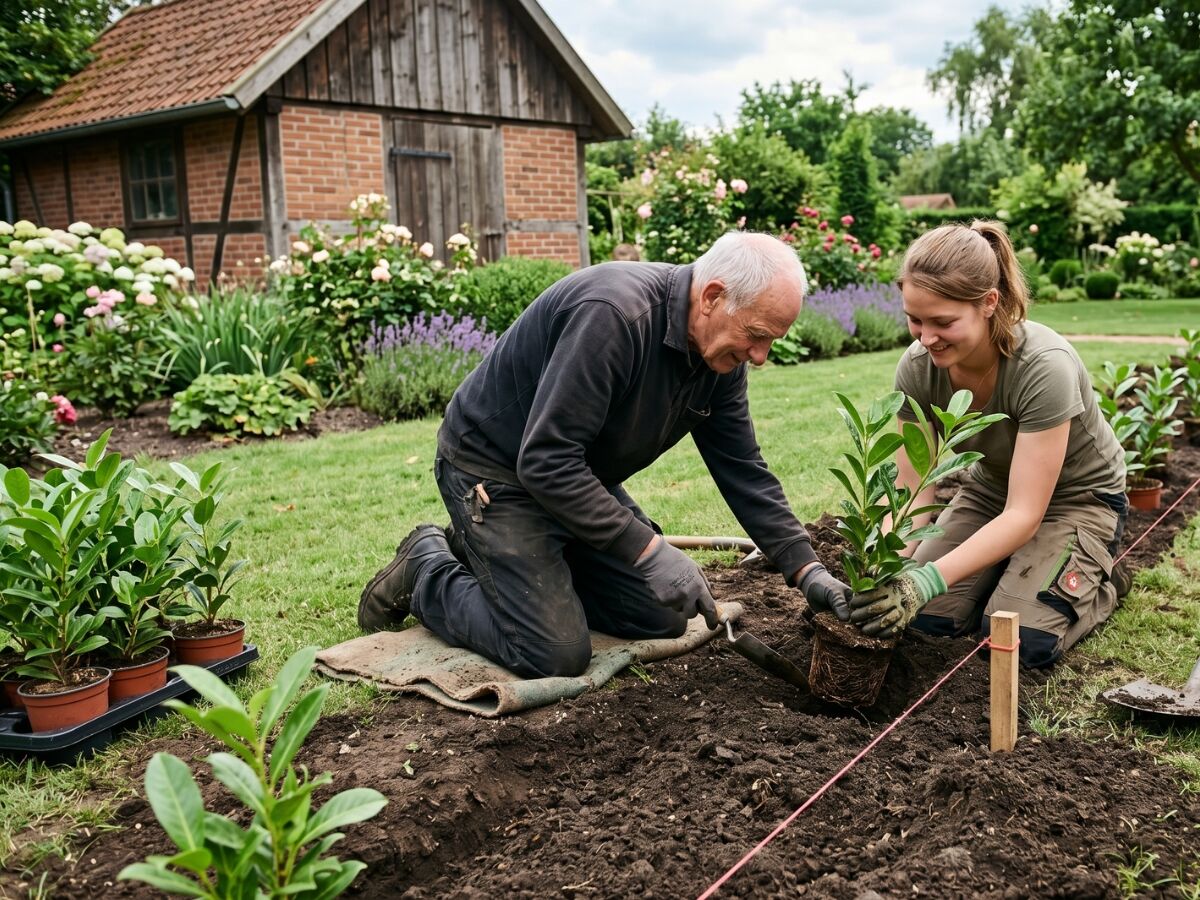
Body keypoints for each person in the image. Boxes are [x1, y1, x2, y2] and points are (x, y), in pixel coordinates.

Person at [358, 232, 852, 678]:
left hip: (575, 477)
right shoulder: (613, 315)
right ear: (713, 297)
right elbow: (544, 460)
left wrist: (808, 571)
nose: (761, 356)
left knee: (662, 614)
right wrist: (647, 549)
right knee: (552, 651)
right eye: (758, 335)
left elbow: (743, 469)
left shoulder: (719, 359)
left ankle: (506, 562)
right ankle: (426, 566)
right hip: (494, 471)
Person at [849, 221, 1130, 667]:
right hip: (991, 490)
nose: (925, 338)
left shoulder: (1043, 367)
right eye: (914, 319)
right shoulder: (918, 368)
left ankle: (1100, 586)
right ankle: (1015, 570)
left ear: (989, 303)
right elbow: (913, 486)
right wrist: (885, 571)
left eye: (943, 322)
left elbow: (1026, 512)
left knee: (1021, 641)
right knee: (928, 622)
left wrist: (923, 582)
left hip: (1078, 500)